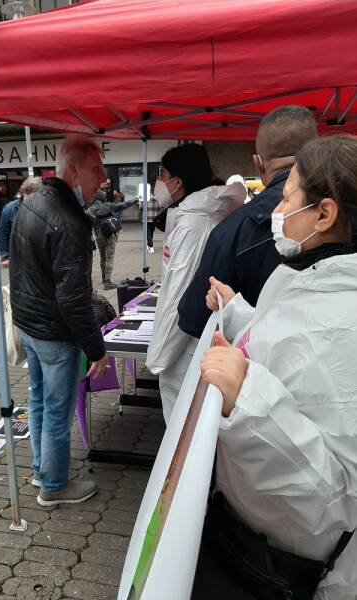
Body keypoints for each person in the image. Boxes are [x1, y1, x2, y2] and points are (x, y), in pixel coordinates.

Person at [194, 135, 357, 600]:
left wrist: (247, 398)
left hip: (299, 569)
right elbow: (282, 342)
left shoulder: (345, 321)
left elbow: (334, 500)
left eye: (287, 198)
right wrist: (236, 312)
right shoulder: (308, 275)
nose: (277, 211)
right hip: (260, 538)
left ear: (324, 215)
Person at [9, 135, 108, 507]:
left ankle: (41, 470)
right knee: (56, 410)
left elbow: (21, 268)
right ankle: (53, 485)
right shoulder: (67, 221)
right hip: (53, 332)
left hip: (31, 326)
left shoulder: (32, 202)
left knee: (38, 400)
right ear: (75, 170)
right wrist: (96, 349)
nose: (103, 178)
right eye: (96, 169)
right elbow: (73, 298)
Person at [178, 105, 318, 339]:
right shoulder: (343, 216)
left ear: (258, 163)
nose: (281, 210)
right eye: (283, 200)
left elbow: (192, 319)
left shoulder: (235, 230)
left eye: (288, 200)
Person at [145, 144, 246, 423]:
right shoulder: (205, 213)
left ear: (178, 181)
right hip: (198, 335)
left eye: (162, 174)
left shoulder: (193, 223)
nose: (158, 182)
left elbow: (178, 293)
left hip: (185, 343)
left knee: (183, 420)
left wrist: (159, 357)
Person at [86, 188, 138, 290]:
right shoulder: (108, 205)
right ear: (103, 197)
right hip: (110, 235)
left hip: (98, 235)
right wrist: (134, 200)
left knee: (102, 257)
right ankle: (108, 282)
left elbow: (85, 220)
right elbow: (123, 205)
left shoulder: (91, 209)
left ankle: (104, 278)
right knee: (110, 257)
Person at [0, 176, 42, 267]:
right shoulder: (9, 209)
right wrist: (5, 257)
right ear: (23, 193)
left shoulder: (44, 207)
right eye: (27, 197)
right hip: (18, 256)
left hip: (39, 256)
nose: (30, 201)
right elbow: (3, 234)